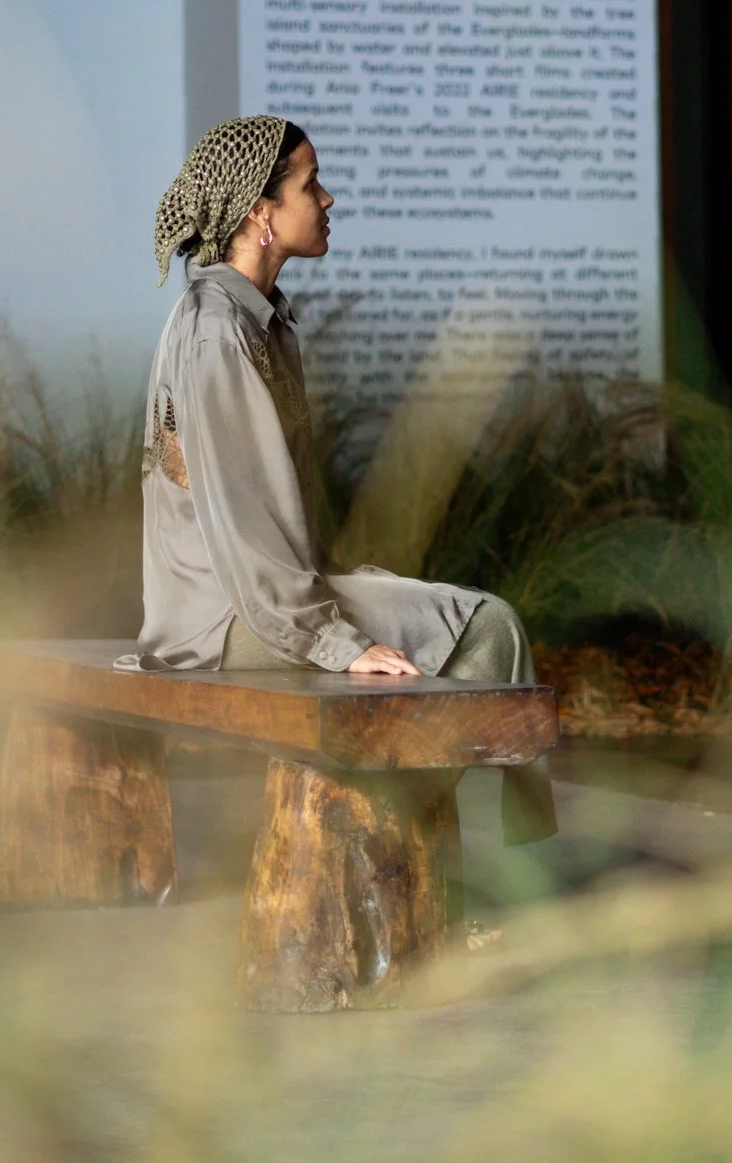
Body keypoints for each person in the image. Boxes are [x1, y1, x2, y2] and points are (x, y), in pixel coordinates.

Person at [139, 114, 555, 843]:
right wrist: (336, 642)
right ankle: (401, 851)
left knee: (474, 625)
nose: (328, 199)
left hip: (254, 597)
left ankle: (396, 851)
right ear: (261, 212)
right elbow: (245, 528)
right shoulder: (216, 332)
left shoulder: (252, 319)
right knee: (488, 630)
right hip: (227, 616)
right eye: (311, 184)